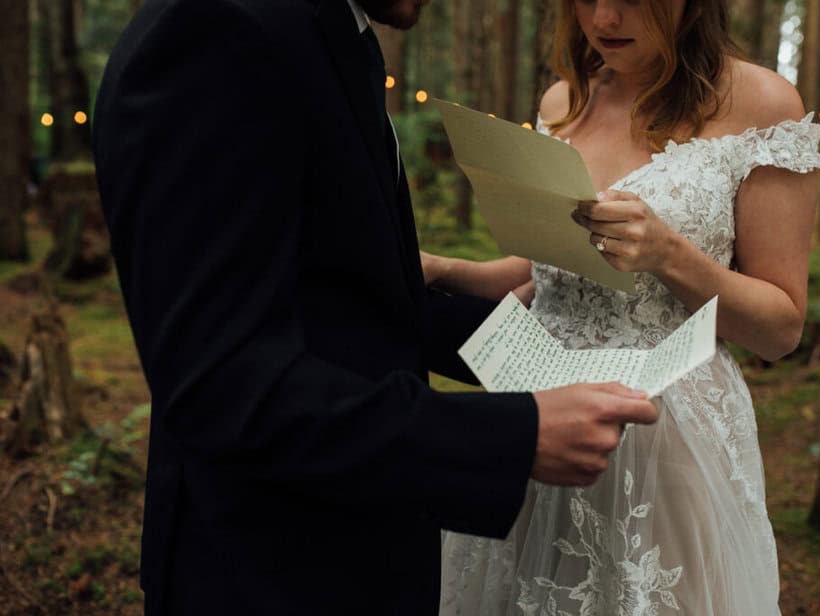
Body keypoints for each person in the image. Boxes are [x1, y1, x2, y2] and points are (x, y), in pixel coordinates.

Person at [91, 0, 659, 614]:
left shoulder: (332, 32)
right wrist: (513, 438)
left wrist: (546, 351)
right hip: (264, 569)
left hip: (357, 545)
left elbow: (348, 301)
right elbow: (223, 383)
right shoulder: (218, 31)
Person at [430, 0, 820, 613]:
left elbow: (781, 328)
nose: (604, 19)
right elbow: (549, 264)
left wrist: (670, 253)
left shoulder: (763, 105)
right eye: (585, 0)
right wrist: (443, 269)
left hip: (663, 434)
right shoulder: (563, 102)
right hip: (538, 414)